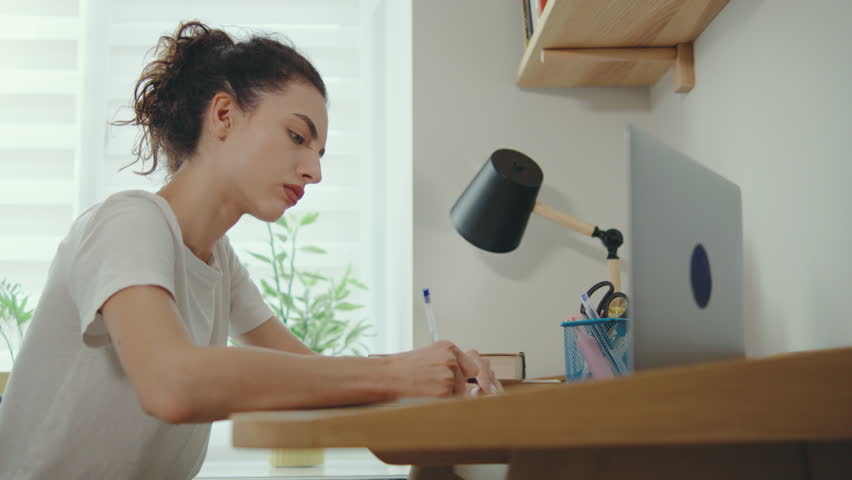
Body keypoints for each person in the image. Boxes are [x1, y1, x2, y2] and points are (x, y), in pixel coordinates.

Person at [0, 21, 503, 480]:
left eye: (318, 152)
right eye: (297, 136)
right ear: (223, 115)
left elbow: (313, 380)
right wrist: (395, 374)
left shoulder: (219, 263)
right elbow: (172, 385)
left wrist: (441, 376)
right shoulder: (128, 222)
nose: (314, 171)